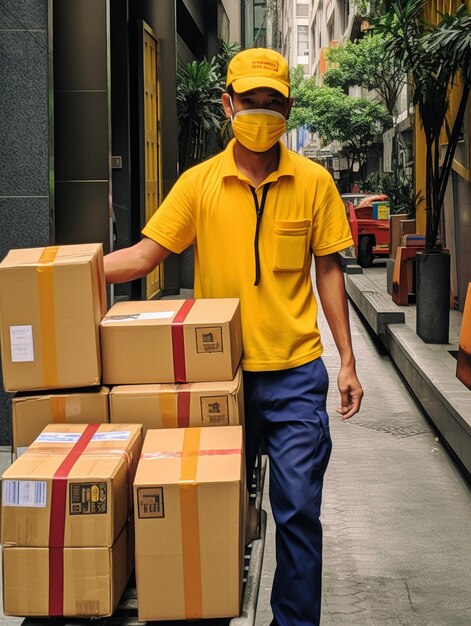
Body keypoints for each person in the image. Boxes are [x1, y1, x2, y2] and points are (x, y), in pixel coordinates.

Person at [104, 47, 363, 626]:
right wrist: (74, 270)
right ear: (227, 105)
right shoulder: (199, 185)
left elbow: (328, 271)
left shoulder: (314, 182)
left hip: (296, 373)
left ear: (289, 111)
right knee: (214, 510)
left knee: (298, 511)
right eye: (250, 102)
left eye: (274, 104)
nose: (262, 114)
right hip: (218, 380)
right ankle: (208, 606)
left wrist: (347, 360)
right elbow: (147, 255)